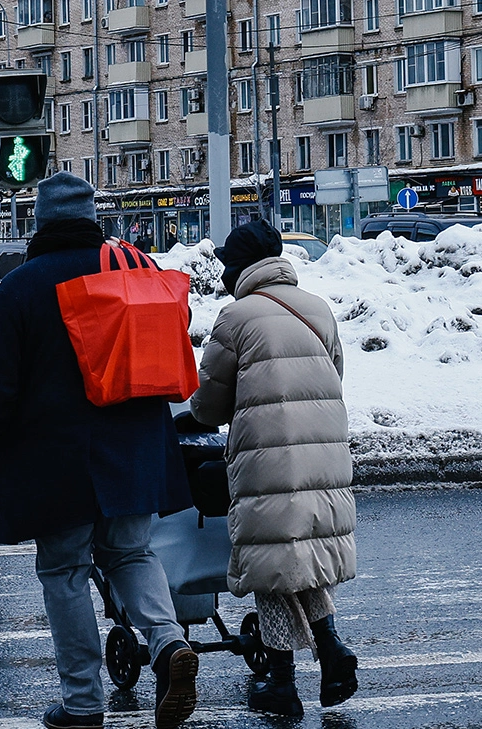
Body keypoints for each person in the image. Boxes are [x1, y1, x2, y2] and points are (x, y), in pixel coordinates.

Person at [0, 172, 199, 729]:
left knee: (65, 569)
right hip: (136, 447)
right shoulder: (132, 271)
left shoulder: (21, 286)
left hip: (58, 459)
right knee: (132, 553)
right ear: (93, 218)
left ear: (41, 222)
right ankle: (169, 645)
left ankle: (83, 703)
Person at [190, 220, 358, 717]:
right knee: (298, 560)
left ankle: (283, 684)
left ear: (239, 267)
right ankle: (331, 653)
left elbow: (211, 407)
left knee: (271, 565)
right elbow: (334, 374)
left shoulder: (236, 318)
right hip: (323, 455)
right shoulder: (319, 310)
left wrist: (193, 411)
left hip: (268, 458)